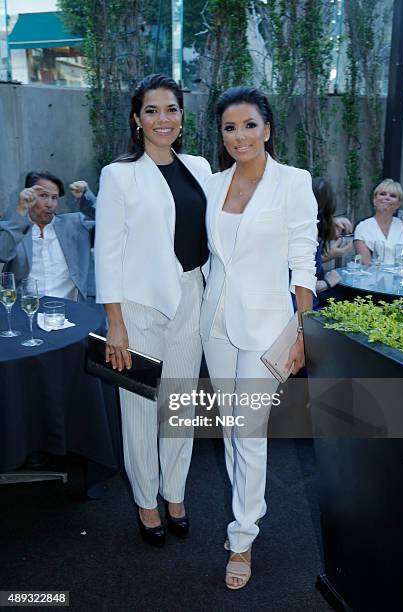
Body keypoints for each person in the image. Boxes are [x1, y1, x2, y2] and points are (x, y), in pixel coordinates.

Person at [200, 86, 317, 589]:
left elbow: (303, 259)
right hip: (217, 325)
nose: (240, 136)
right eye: (230, 127)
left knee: (248, 431)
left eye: (250, 125)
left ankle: (243, 535)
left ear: (267, 129)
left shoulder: (293, 182)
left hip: (269, 325)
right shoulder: (212, 183)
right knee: (232, 429)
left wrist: (300, 333)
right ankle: (248, 508)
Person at [94, 74, 211, 547]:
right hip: (138, 305)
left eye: (172, 110)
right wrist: (115, 323)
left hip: (192, 296)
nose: (163, 119)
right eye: (152, 111)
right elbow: (107, 252)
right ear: (136, 119)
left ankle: (175, 493)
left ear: (182, 117)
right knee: (141, 408)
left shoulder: (200, 167)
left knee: (178, 405)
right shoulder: (119, 174)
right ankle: (146, 501)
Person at [0, 171, 95, 300]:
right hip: (27, 309)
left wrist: (86, 198)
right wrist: (22, 209)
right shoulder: (14, 229)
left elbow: (108, 224)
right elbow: (2, 254)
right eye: (43, 195)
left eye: (54, 198)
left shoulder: (76, 225)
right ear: (28, 195)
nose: (49, 204)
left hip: (70, 309)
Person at [354, 179, 403, 265]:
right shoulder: (362, 228)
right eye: (383, 194)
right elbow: (366, 264)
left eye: (393, 196)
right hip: (373, 276)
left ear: (398, 204)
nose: (387, 198)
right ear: (374, 200)